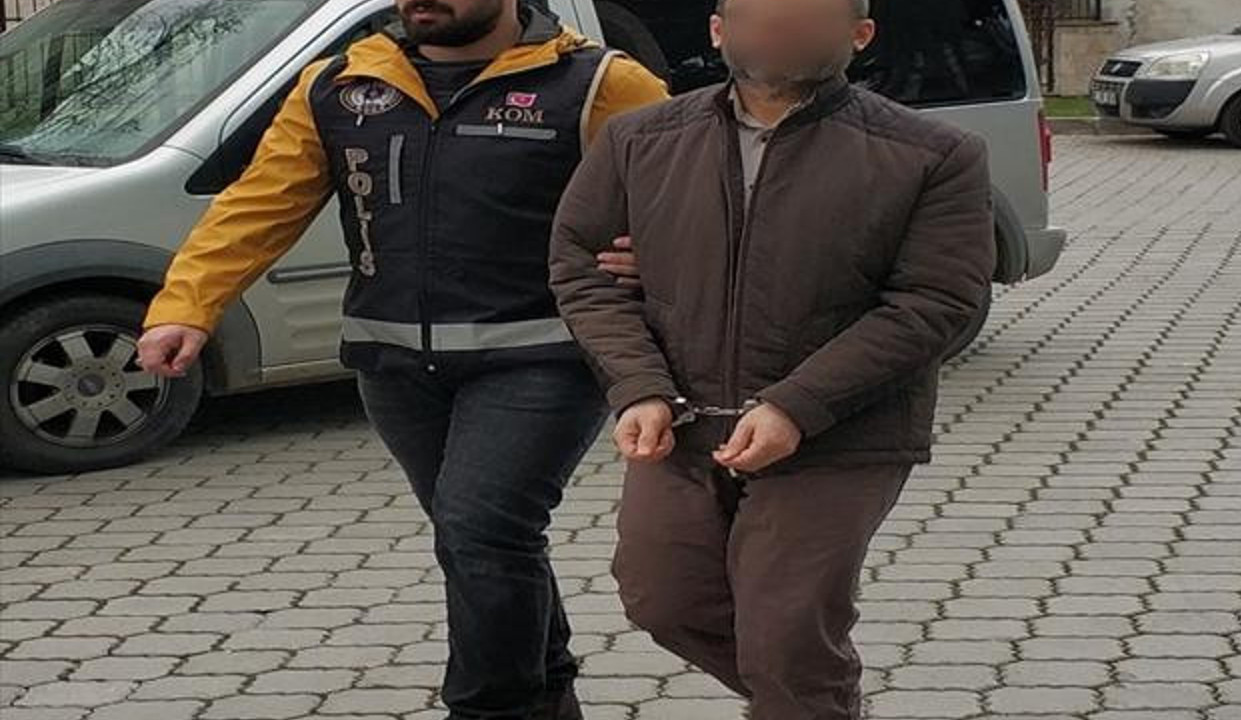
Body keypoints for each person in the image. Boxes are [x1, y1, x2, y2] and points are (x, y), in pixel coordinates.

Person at [137, 1, 667, 718]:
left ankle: (489, 709)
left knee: (481, 529)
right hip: (393, 367)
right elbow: (259, 203)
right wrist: (187, 306)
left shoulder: (599, 82)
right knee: (479, 541)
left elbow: (690, 191)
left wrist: (658, 253)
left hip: (540, 356)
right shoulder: (340, 84)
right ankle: (547, 692)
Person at [548, 0, 996, 717]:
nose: (780, 26)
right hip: (682, 424)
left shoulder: (933, 154)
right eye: (759, 12)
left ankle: (800, 696)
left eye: (807, 14)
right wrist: (638, 386)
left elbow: (936, 302)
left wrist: (795, 405)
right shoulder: (639, 140)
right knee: (663, 598)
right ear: (718, 30)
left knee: (786, 633)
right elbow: (579, 264)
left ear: (859, 35)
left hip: (839, 433)